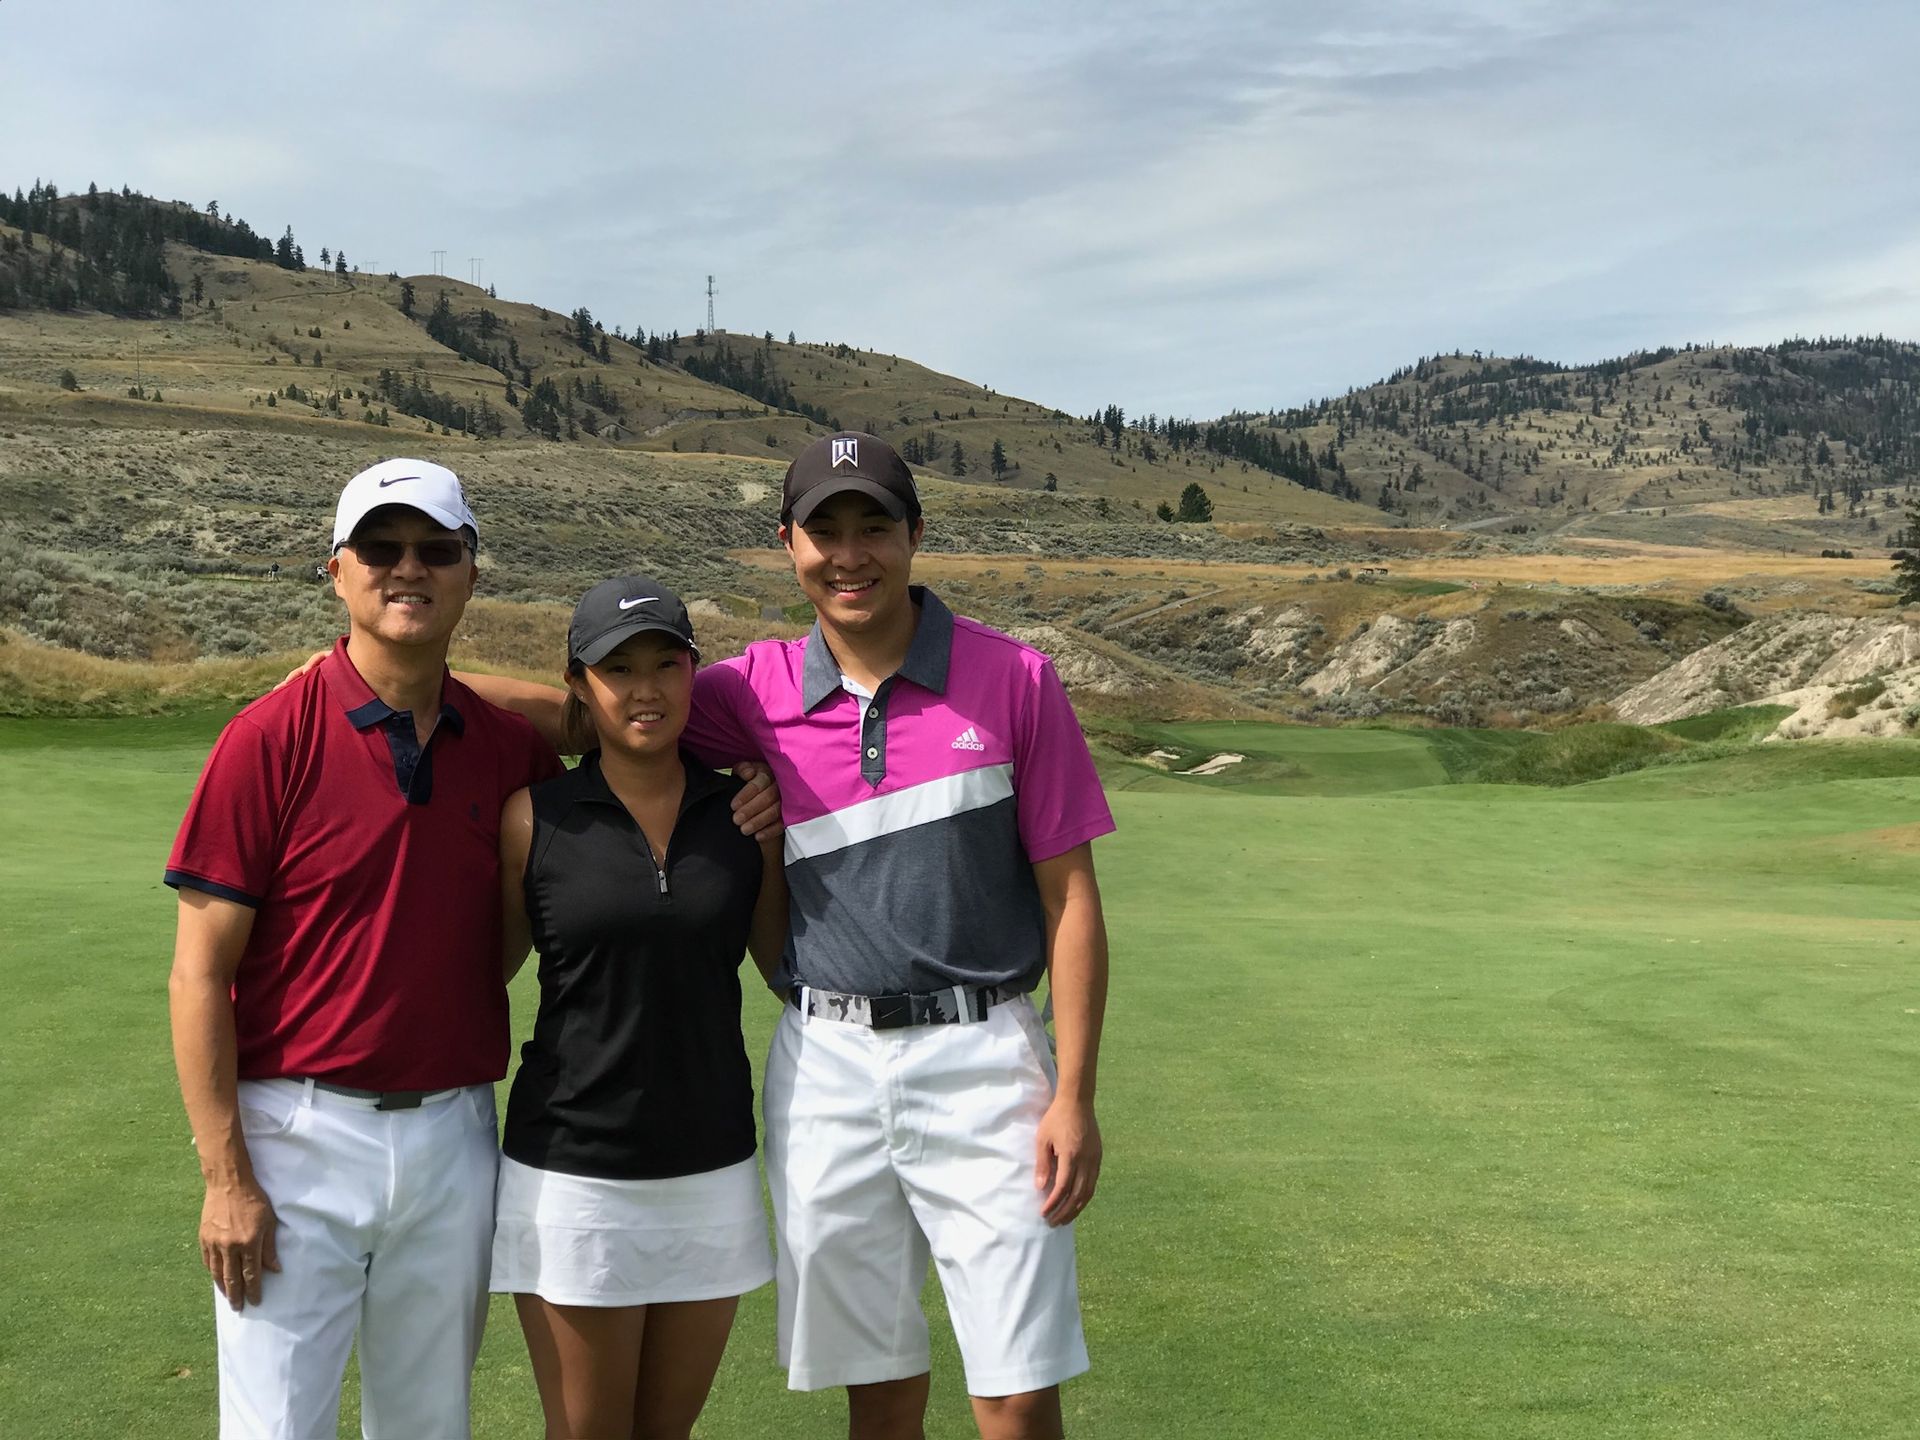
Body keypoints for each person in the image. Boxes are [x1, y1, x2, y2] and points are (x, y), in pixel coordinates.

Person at [468, 432, 1115, 1440]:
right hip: (830, 1066)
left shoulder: (1014, 680)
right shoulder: (747, 693)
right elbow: (616, 712)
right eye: (826, 532)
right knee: (879, 1383)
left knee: (1018, 1393)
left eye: (874, 529)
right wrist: (397, 687)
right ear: (789, 545)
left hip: (986, 1057)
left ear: (915, 537)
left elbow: (1072, 897)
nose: (849, 555)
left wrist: (1073, 1093)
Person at [165, 458, 781, 1438]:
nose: (408, 568)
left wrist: (741, 765)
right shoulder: (266, 739)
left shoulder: (504, 750)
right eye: (381, 548)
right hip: (293, 1137)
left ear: (469, 574)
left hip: (455, 1136)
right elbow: (199, 972)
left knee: (426, 1425)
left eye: (435, 549)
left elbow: (607, 717)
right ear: (338, 571)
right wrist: (226, 1179)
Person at [490, 577, 787, 1440]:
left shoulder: (744, 813)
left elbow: (779, 964)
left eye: (667, 663)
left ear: (696, 674)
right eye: (618, 669)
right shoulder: (534, 820)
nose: (647, 688)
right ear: (580, 686)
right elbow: (486, 972)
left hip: (712, 1165)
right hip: (572, 1173)